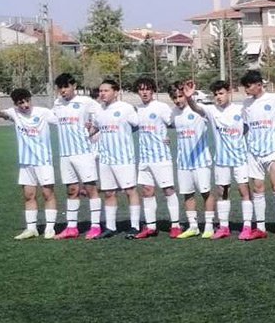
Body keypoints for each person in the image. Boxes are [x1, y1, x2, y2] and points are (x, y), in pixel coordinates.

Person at [182, 79, 253, 239]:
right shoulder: (211, 110)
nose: (218, 97)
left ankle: (247, 226)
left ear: (229, 92)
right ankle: (224, 227)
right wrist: (189, 98)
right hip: (221, 159)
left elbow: (247, 126)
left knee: (244, 191)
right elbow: (196, 108)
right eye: (216, 94)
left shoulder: (240, 109)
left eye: (221, 93)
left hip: (240, 158)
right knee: (222, 191)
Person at [0, 86, 57, 239]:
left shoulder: (43, 112)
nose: (25, 105)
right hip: (26, 163)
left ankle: (50, 228)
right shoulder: (14, 113)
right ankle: (31, 229)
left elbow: (61, 122)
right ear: (15, 104)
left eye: (27, 101)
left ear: (30, 99)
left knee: (47, 194)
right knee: (28, 195)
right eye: (20, 103)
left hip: (44, 161)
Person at [240, 70, 275, 239]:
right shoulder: (246, 103)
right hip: (253, 153)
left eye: (249, 86)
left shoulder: (274, 99)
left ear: (259, 85)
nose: (246, 90)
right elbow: (246, 126)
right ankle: (260, 228)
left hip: (272, 151)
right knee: (257, 188)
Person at [50, 73, 102, 239]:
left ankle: (95, 226)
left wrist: (93, 126)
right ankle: (71, 227)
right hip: (65, 154)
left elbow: (102, 116)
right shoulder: (57, 104)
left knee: (90, 188)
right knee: (72, 190)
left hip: (83, 153)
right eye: (60, 88)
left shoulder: (85, 102)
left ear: (74, 86)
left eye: (66, 86)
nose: (63, 91)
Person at [91, 79, 142, 239]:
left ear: (115, 92)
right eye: (100, 91)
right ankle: (110, 227)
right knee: (108, 193)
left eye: (106, 90)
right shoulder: (99, 110)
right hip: (106, 159)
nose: (102, 94)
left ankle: (135, 226)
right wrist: (88, 129)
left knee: (130, 191)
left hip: (123, 158)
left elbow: (137, 124)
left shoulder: (126, 108)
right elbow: (95, 128)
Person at [132, 77, 179, 238]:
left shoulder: (161, 107)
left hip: (161, 157)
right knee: (147, 191)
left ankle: (175, 225)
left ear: (152, 90)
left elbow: (174, 123)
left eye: (147, 89)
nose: (144, 92)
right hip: (144, 158)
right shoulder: (137, 109)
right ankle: (151, 226)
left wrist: (168, 137)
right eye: (141, 89)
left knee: (168, 190)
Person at [168, 83, 216, 238]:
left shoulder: (198, 109)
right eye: (174, 97)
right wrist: (165, 138)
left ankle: (209, 227)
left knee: (205, 192)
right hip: (183, 162)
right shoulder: (174, 113)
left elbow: (198, 109)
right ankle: (193, 226)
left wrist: (190, 99)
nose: (178, 100)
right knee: (187, 194)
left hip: (201, 160)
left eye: (180, 96)